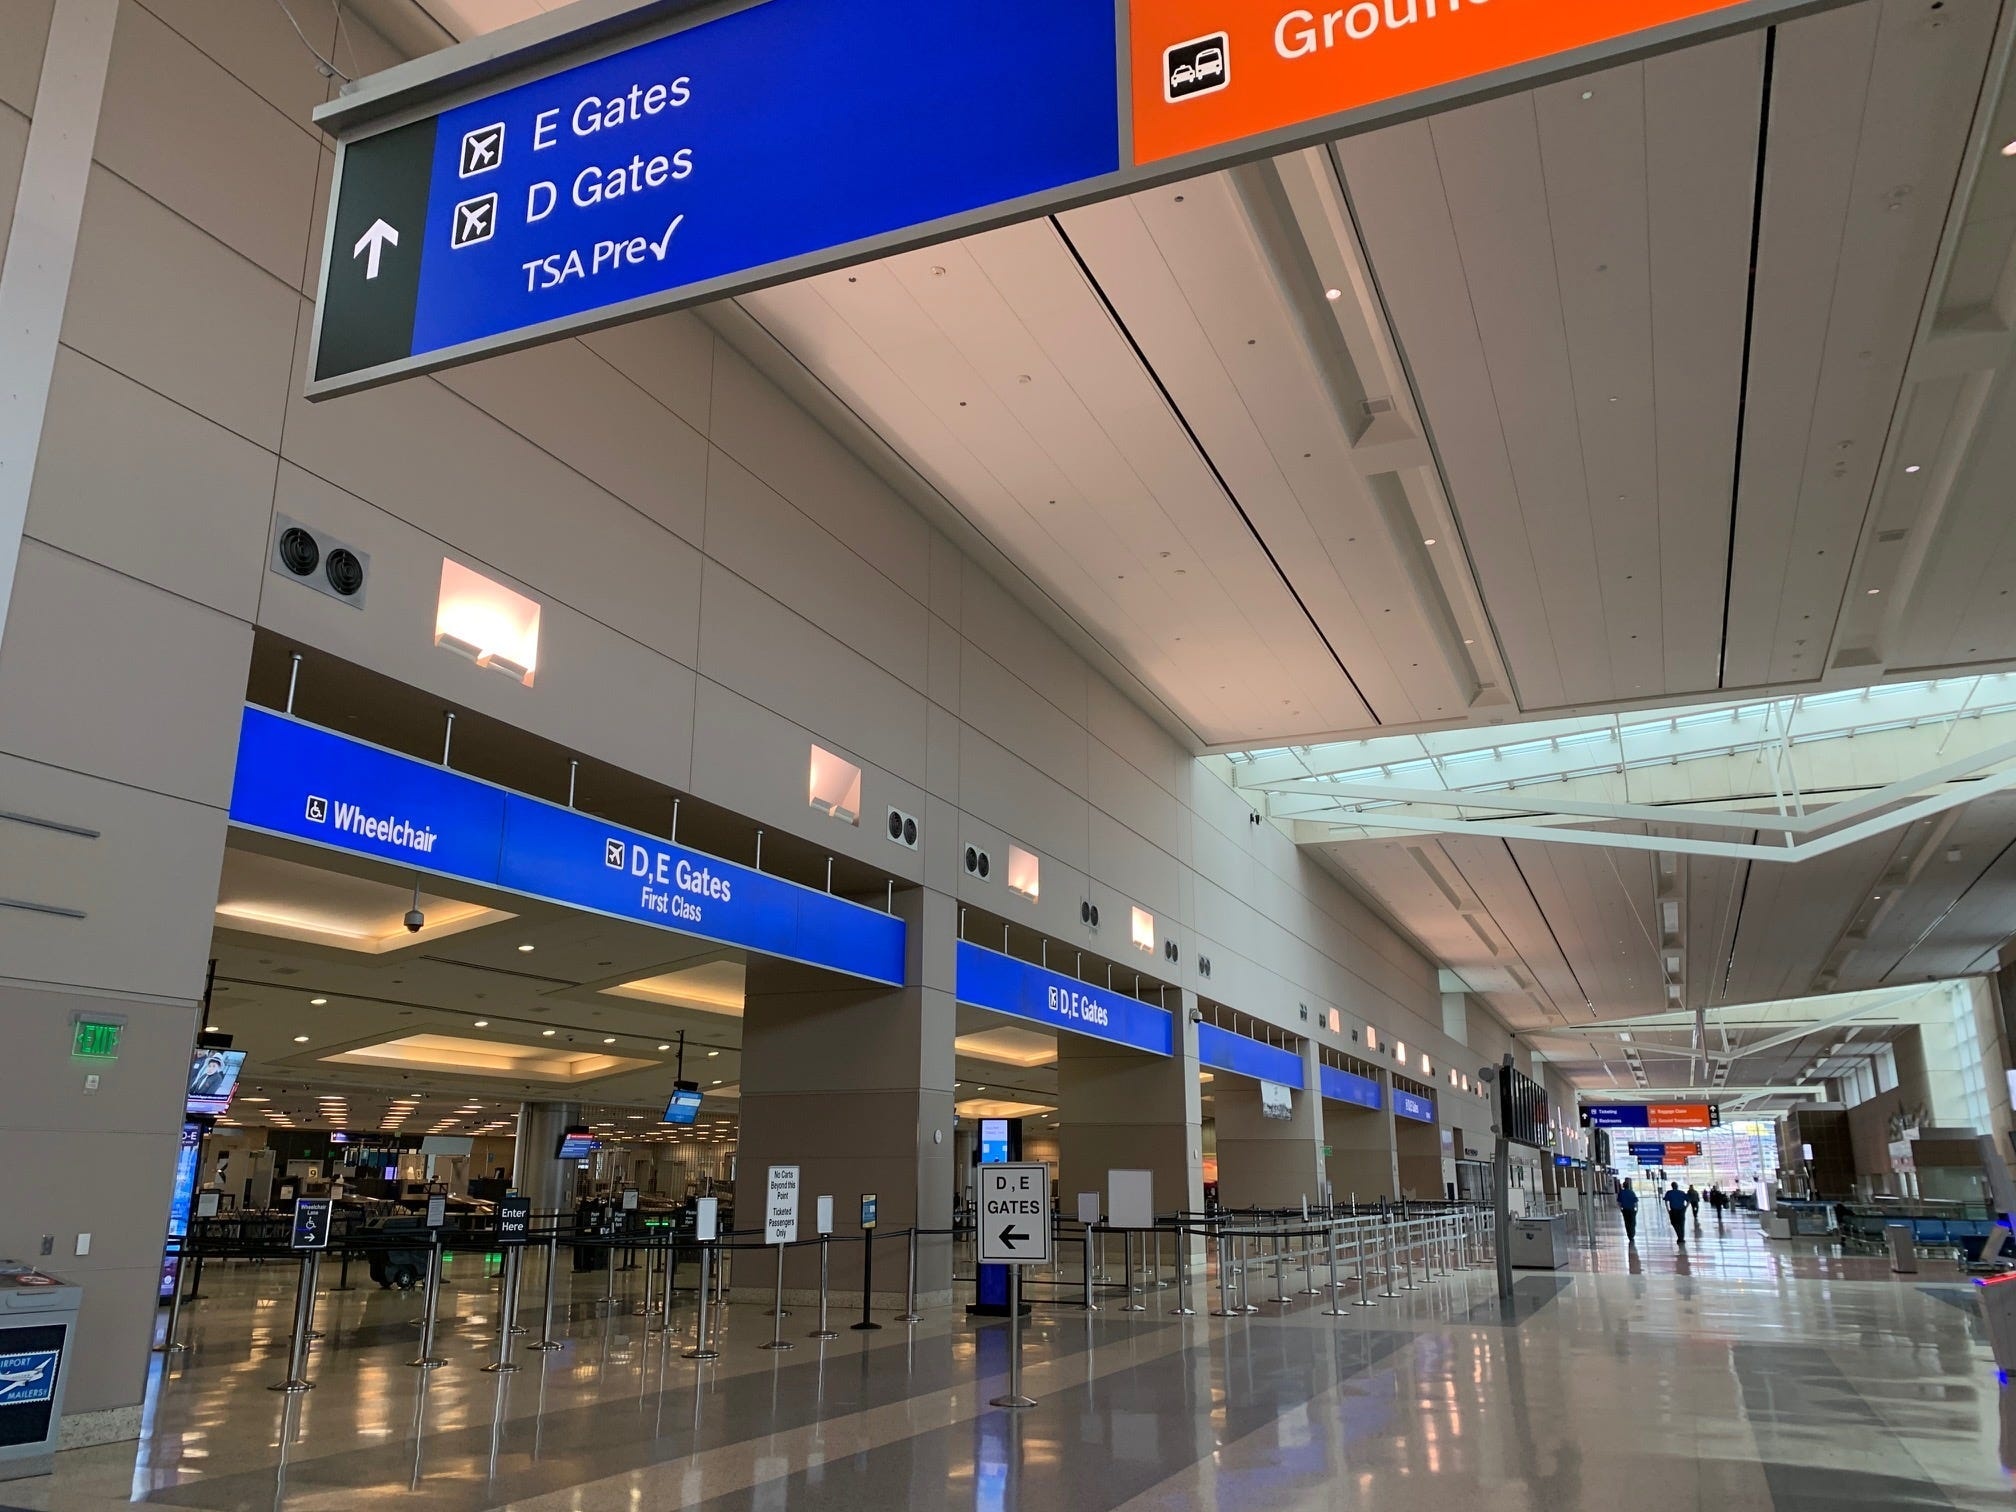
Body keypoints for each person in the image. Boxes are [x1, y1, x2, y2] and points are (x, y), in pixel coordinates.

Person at [1616, 1178, 1639, 1245]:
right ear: (1628, 1186)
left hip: (1625, 1210)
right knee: (1633, 1222)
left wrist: (1621, 1209)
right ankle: (1632, 1234)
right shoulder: (1631, 1192)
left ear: (1623, 1186)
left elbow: (1619, 1202)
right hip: (1631, 1209)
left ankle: (1629, 1235)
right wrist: (1637, 1209)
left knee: (1627, 1222)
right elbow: (1636, 1202)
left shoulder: (1621, 1193)